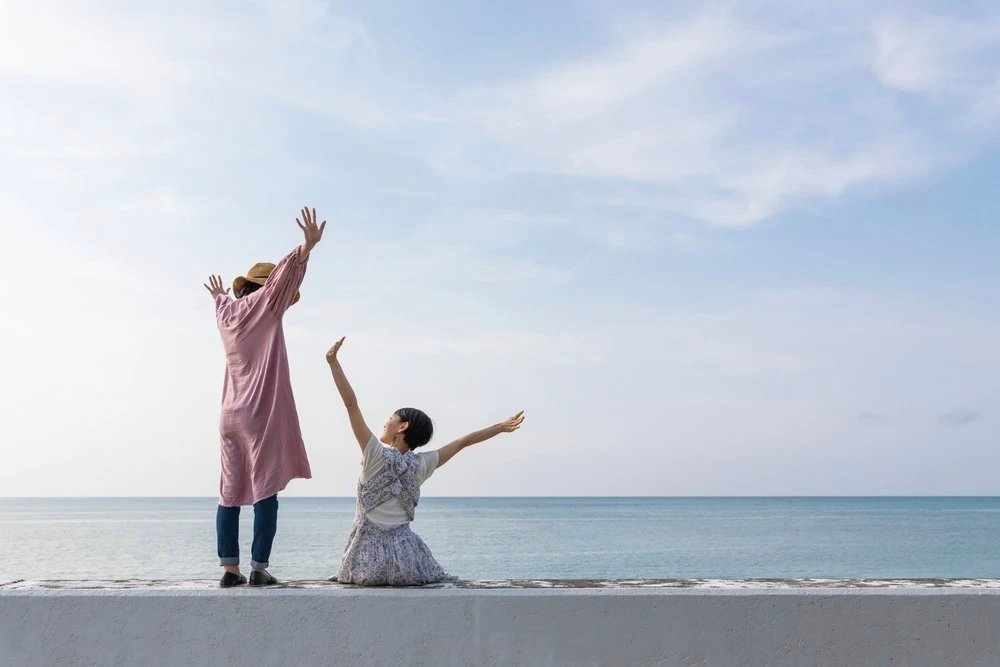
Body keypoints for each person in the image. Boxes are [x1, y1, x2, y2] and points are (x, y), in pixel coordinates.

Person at [325, 336, 524, 585]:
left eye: (391, 418)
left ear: (402, 426)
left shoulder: (374, 453)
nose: (385, 421)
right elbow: (464, 442)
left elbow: (351, 404)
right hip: (410, 561)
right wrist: (500, 427)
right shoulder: (421, 464)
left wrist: (333, 362)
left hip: (368, 561)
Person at [202, 207, 326, 587]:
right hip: (259, 413)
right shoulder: (267, 307)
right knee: (265, 490)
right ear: (268, 290)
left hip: (229, 416)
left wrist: (223, 295)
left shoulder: (227, 316)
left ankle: (229, 570)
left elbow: (222, 300)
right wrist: (306, 247)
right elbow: (281, 285)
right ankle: (258, 568)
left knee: (228, 492)